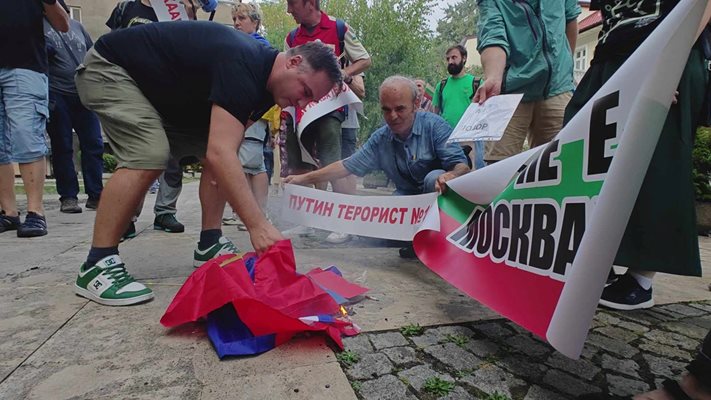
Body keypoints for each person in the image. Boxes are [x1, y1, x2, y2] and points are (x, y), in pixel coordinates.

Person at [73, 21, 342, 306]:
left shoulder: (267, 90)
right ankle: (97, 264)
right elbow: (220, 152)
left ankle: (209, 242)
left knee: (220, 157)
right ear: (294, 62)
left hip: (157, 94)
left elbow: (222, 153)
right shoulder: (243, 61)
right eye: (306, 92)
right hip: (110, 68)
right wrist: (258, 225)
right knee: (149, 154)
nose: (301, 105)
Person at [563, 0, 709, 310]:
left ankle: (641, 279)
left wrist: (670, 60)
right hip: (612, 52)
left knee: (656, 156)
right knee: (586, 150)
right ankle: (602, 261)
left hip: (666, 45)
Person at [284, 76, 470, 258]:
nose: (393, 116)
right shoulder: (381, 138)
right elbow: (346, 166)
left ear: (416, 104)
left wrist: (450, 176)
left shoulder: (435, 126)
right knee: (368, 231)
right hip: (405, 202)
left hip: (438, 204)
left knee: (433, 177)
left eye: (400, 109)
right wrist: (303, 178)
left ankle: (437, 244)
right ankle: (412, 241)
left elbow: (462, 166)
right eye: (386, 110)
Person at [283, 0, 372, 219]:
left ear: (310, 3)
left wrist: (345, 73)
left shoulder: (338, 28)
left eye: (292, 3)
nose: (289, 9)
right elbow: (286, 70)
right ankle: (305, 219)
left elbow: (364, 59)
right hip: (301, 109)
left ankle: (343, 220)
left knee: (332, 158)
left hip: (331, 107)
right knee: (298, 163)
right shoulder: (292, 37)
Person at [106, 0, 186, 235]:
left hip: (167, 92)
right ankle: (127, 215)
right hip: (132, 88)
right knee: (135, 154)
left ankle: (165, 211)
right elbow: (111, 44)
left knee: (173, 156)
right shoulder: (126, 8)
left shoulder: (175, 11)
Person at [475, 0, 580, 163]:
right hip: (510, 92)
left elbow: (570, 20)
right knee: (499, 167)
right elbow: (492, 37)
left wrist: (565, 68)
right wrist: (494, 77)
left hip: (557, 88)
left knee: (562, 163)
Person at [0, 0, 69, 237]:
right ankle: (8, 212)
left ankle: (35, 212)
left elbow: (63, 25)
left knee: (26, 135)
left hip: (25, 66)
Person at [44, 4, 104, 214]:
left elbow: (92, 53)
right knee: (62, 146)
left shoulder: (78, 27)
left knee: (94, 144)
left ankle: (96, 195)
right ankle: (68, 197)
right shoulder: (38, 25)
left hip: (83, 93)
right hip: (56, 92)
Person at [222, 2, 273, 230]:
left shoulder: (259, 46)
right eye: (235, 19)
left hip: (252, 111)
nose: (236, 23)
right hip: (240, 110)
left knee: (253, 161)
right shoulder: (242, 44)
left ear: (255, 21)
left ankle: (258, 213)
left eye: (242, 18)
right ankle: (244, 211)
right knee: (245, 161)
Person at [433, 45, 484, 170]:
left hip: (471, 139)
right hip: (447, 140)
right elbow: (435, 113)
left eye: (454, 57)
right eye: (448, 59)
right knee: (449, 175)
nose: (450, 61)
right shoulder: (441, 86)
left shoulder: (476, 83)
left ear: (464, 58)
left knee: (472, 175)